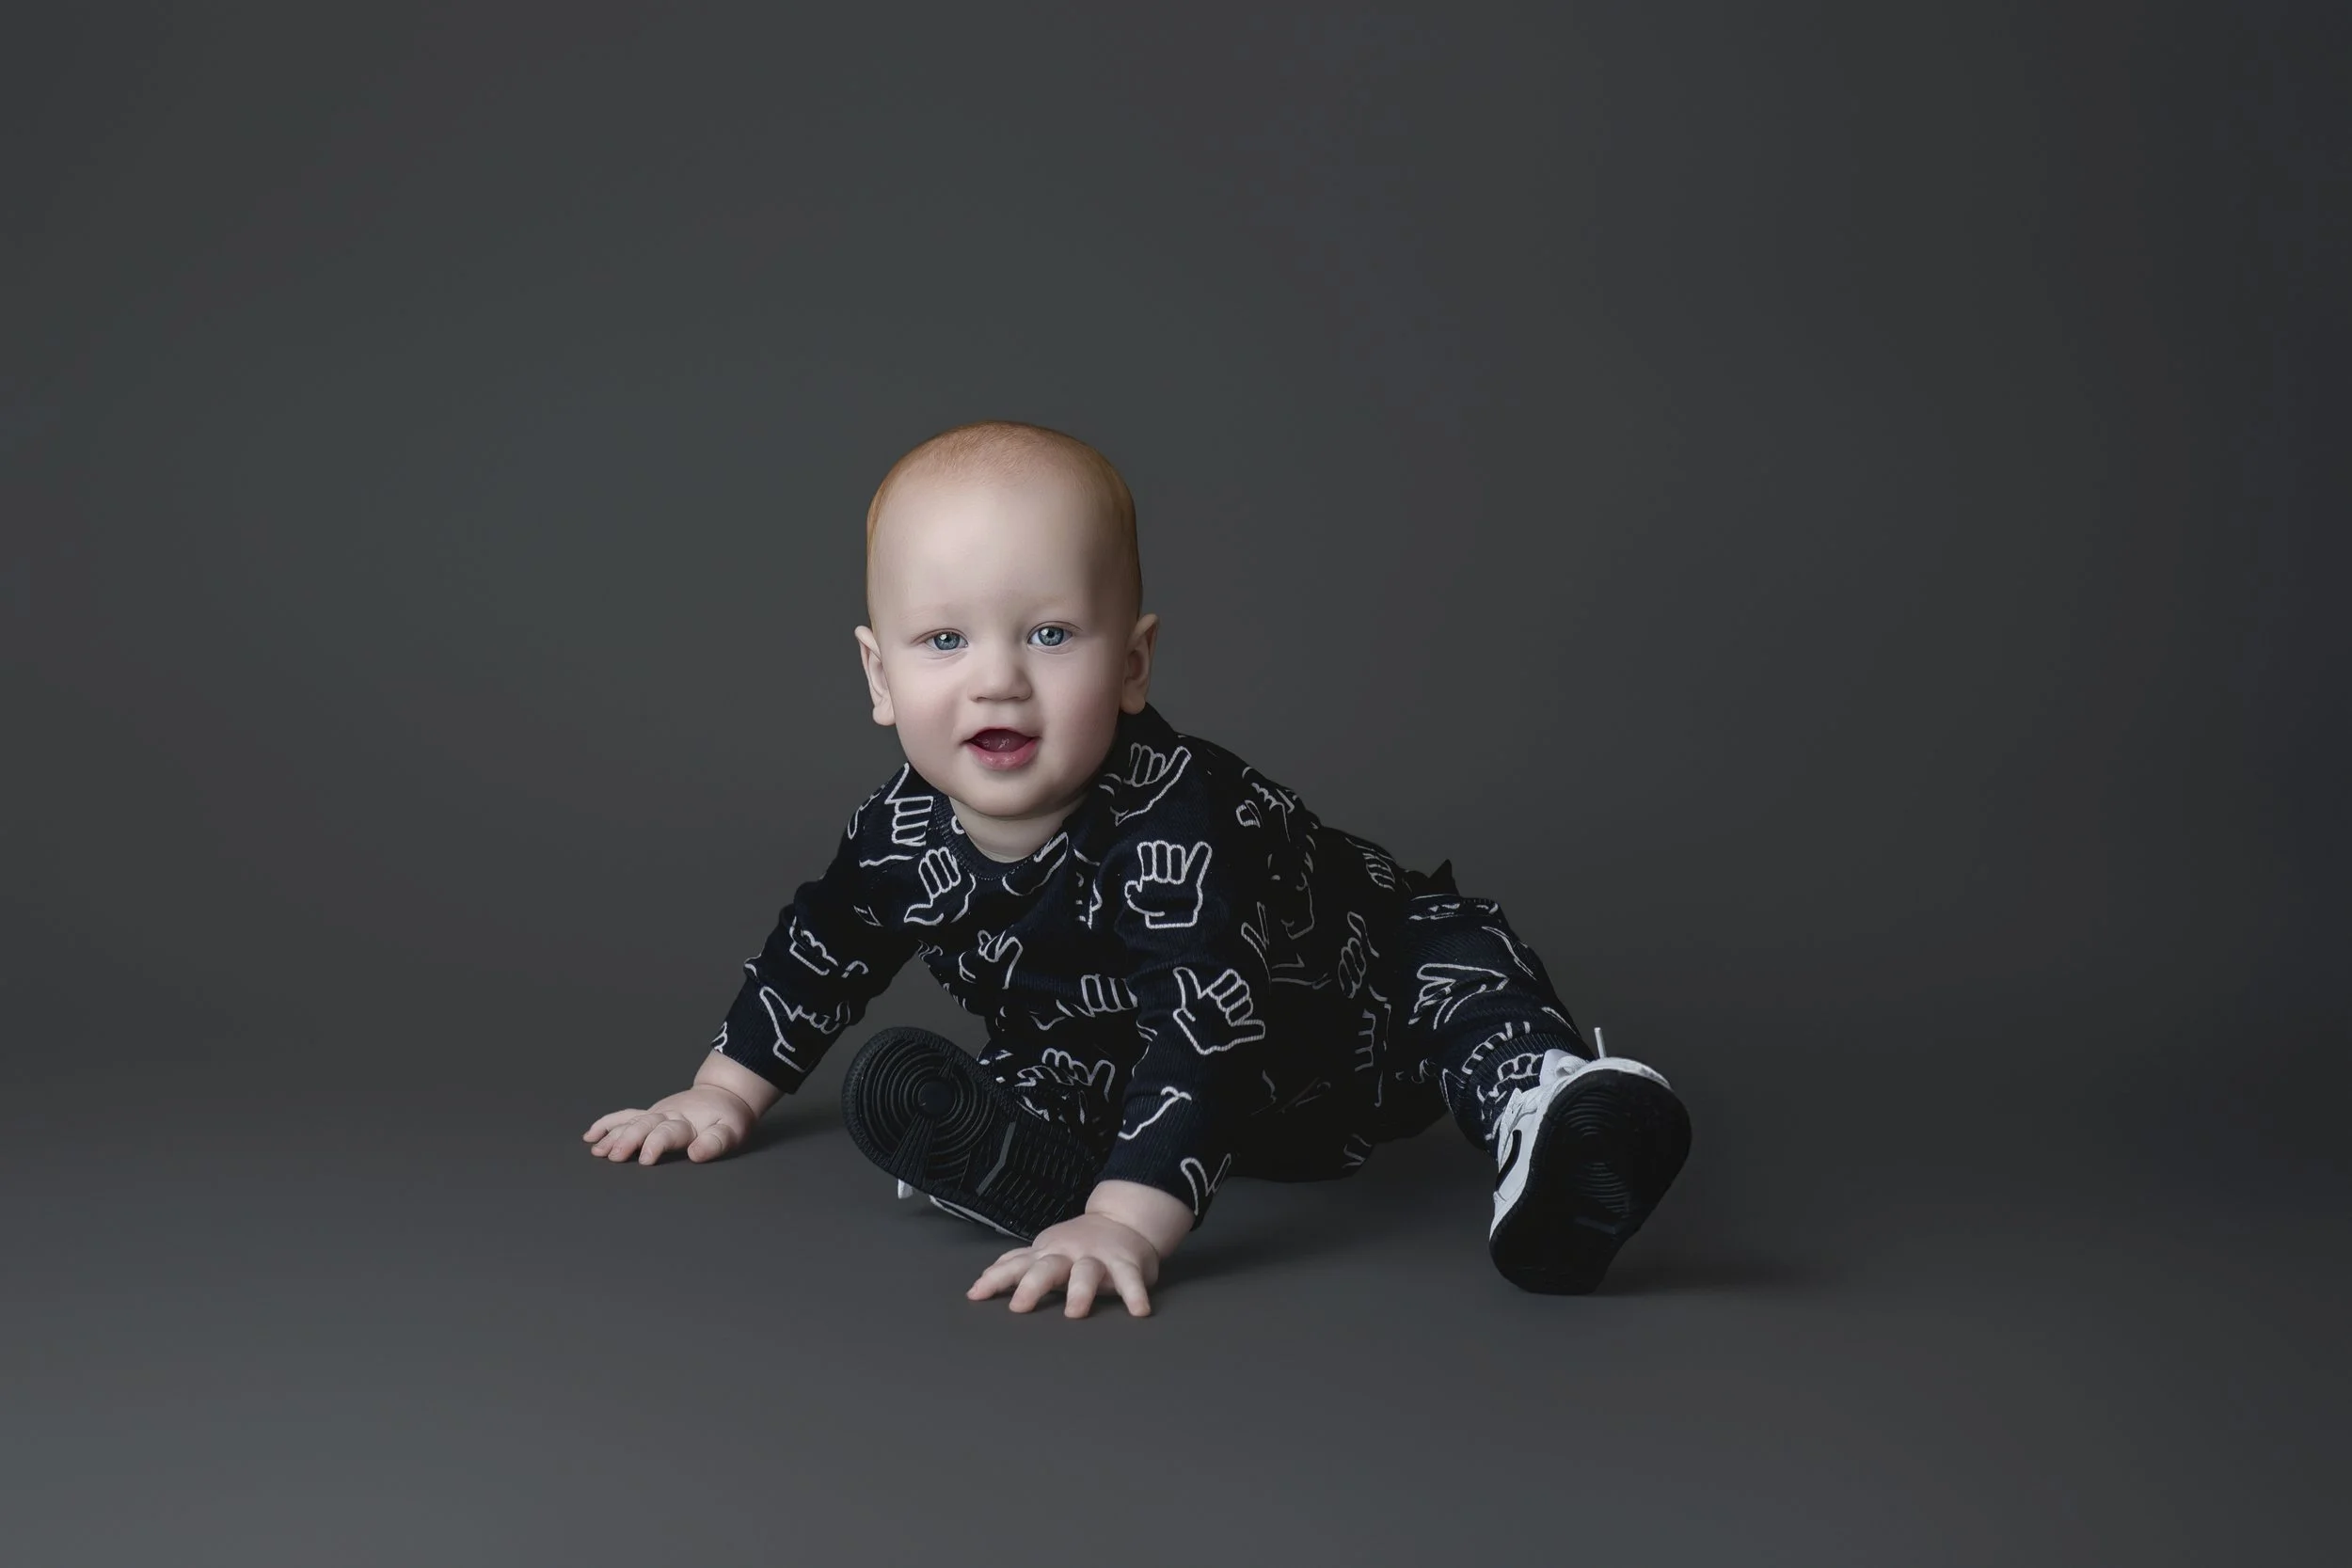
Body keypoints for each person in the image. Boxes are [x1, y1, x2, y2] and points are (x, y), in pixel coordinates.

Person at [581, 420, 1692, 1317]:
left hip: (1354, 1019)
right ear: (879, 677)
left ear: (1133, 661)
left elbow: (1210, 1023)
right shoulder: (899, 833)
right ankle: (1032, 1150)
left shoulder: (1173, 819)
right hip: (1154, 1069)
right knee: (1056, 1053)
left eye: (1049, 634)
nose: (998, 680)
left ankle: (1549, 1119)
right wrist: (723, 1088)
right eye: (945, 640)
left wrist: (1128, 1222)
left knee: (1457, 969)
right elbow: (820, 947)